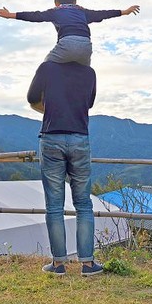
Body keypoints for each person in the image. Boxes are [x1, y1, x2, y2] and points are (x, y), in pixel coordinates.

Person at [27, 60, 102, 276]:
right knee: (83, 204)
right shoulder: (90, 72)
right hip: (80, 138)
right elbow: (88, 104)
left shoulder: (46, 68)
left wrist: (50, 106)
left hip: (51, 137)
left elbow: (32, 99)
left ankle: (58, 264)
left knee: (54, 205)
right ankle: (87, 264)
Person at [0, 0, 139, 66]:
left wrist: (11, 15)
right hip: (86, 47)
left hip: (67, 44)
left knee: (46, 65)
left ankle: (41, 98)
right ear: (75, 1)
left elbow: (35, 16)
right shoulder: (83, 12)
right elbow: (103, 13)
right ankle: (83, 96)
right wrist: (124, 12)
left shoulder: (55, 11)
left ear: (55, 2)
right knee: (85, 72)